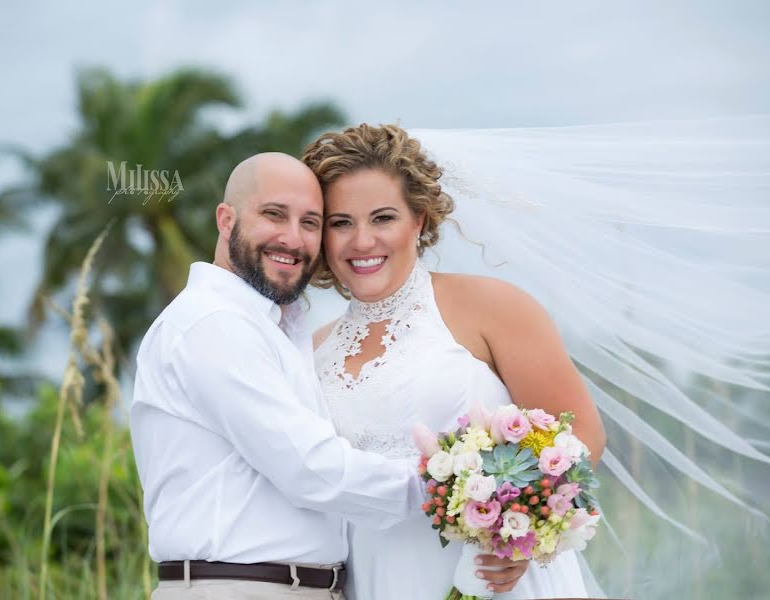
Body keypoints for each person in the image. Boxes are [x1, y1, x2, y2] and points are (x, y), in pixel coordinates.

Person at [130, 152, 527, 599]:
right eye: (274, 215)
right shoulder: (213, 324)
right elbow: (310, 469)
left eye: (311, 222)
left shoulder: (281, 331)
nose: (292, 238)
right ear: (226, 220)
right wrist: (463, 488)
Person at [303, 124, 605, 599]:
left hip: (490, 578)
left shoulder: (492, 306)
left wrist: (521, 536)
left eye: (382, 218)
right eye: (341, 222)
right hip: (374, 580)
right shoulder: (313, 350)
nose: (362, 241)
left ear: (419, 220)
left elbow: (581, 435)